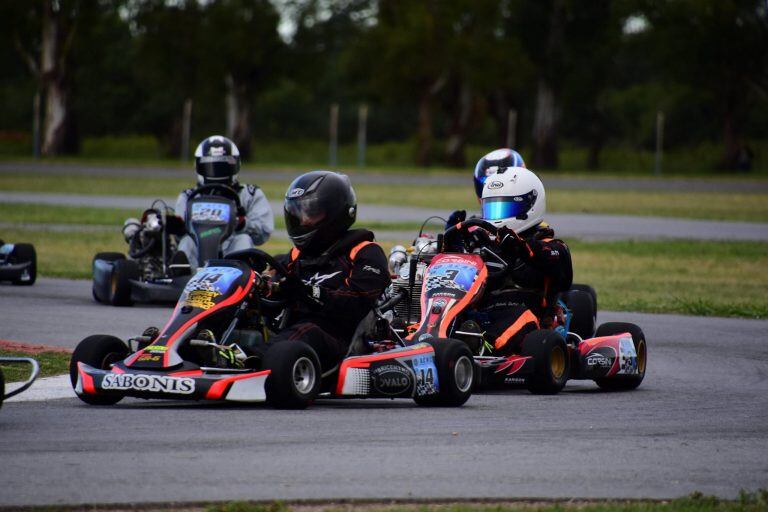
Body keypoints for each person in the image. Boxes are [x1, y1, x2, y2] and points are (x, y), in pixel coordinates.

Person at [268, 170, 391, 370]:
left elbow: (356, 302)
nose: (303, 220)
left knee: (305, 331)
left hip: (337, 337)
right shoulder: (294, 257)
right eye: (298, 213)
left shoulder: (365, 252)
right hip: (288, 332)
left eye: (311, 213)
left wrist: (308, 293)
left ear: (336, 212)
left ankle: (256, 360)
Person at [447, 167, 573, 355]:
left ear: (529, 206)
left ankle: (484, 347)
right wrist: (453, 244)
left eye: (504, 208)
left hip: (528, 315)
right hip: (482, 311)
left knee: (520, 318)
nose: (496, 217)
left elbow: (553, 258)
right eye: (492, 208)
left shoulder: (550, 246)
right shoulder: (484, 242)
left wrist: (521, 247)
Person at [175, 135, 273, 270]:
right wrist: (177, 228)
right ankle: (183, 281)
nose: (216, 171)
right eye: (210, 166)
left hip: (232, 249)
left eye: (222, 166)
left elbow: (263, 233)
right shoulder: (188, 197)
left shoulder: (250, 194)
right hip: (199, 250)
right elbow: (178, 237)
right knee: (186, 242)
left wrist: (244, 223)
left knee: (244, 239)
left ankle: (239, 280)